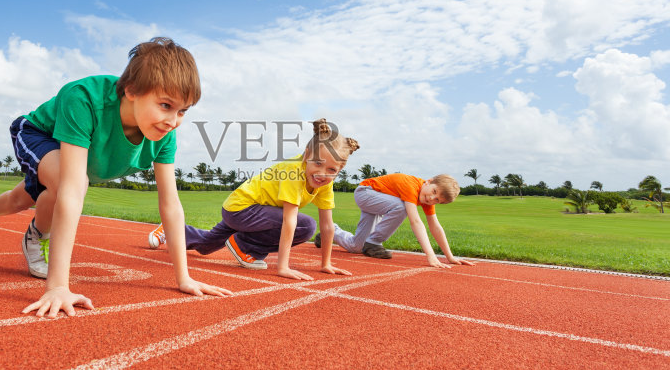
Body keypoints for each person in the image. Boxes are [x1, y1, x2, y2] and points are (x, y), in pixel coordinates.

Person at [0, 37, 232, 318]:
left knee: (20, 199)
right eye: (165, 105)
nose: (173, 121)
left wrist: (184, 278)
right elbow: (71, 189)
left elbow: (171, 204)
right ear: (131, 90)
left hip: (73, 163)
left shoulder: (164, 133)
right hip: (39, 133)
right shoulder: (83, 99)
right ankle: (38, 236)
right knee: (70, 184)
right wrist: (58, 287)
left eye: (182, 111)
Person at [148, 119, 359, 281]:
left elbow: (328, 225)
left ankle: (171, 230)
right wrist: (283, 267)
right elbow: (290, 220)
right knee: (306, 226)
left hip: (255, 213)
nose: (322, 173)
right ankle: (245, 247)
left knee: (206, 245)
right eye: (318, 163)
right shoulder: (294, 171)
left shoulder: (325, 183)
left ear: (339, 171)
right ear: (306, 156)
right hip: (242, 208)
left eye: (331, 170)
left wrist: (326, 263)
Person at [319, 173, 475, 268]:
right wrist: (431, 255)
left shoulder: (427, 199)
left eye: (437, 200)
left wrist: (450, 257)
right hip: (365, 192)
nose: (431, 198)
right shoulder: (411, 185)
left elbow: (435, 226)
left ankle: (329, 233)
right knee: (401, 207)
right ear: (428, 181)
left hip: (379, 201)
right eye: (434, 191)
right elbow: (415, 221)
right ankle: (374, 242)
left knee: (356, 247)